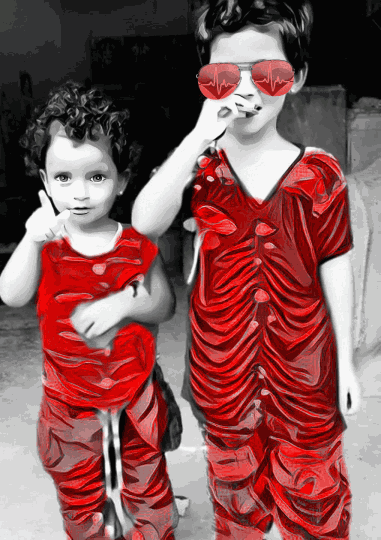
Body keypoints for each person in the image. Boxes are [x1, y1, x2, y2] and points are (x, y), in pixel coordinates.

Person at [131, 1, 361, 539]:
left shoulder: (319, 174)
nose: (247, 90)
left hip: (305, 374)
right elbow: (144, 222)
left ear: (297, 77)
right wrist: (197, 136)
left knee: (316, 505)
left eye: (268, 73)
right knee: (236, 505)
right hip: (224, 375)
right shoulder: (201, 168)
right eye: (225, 76)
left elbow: (336, 265)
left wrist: (346, 363)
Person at [0, 81, 179, 540]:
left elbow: (164, 304)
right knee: (78, 493)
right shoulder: (46, 245)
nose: (79, 193)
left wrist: (124, 302)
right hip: (68, 403)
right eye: (63, 178)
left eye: (96, 177)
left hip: (135, 395)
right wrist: (30, 239)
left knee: (148, 488)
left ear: (122, 180)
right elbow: (12, 295)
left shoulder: (136, 244)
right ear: (44, 182)